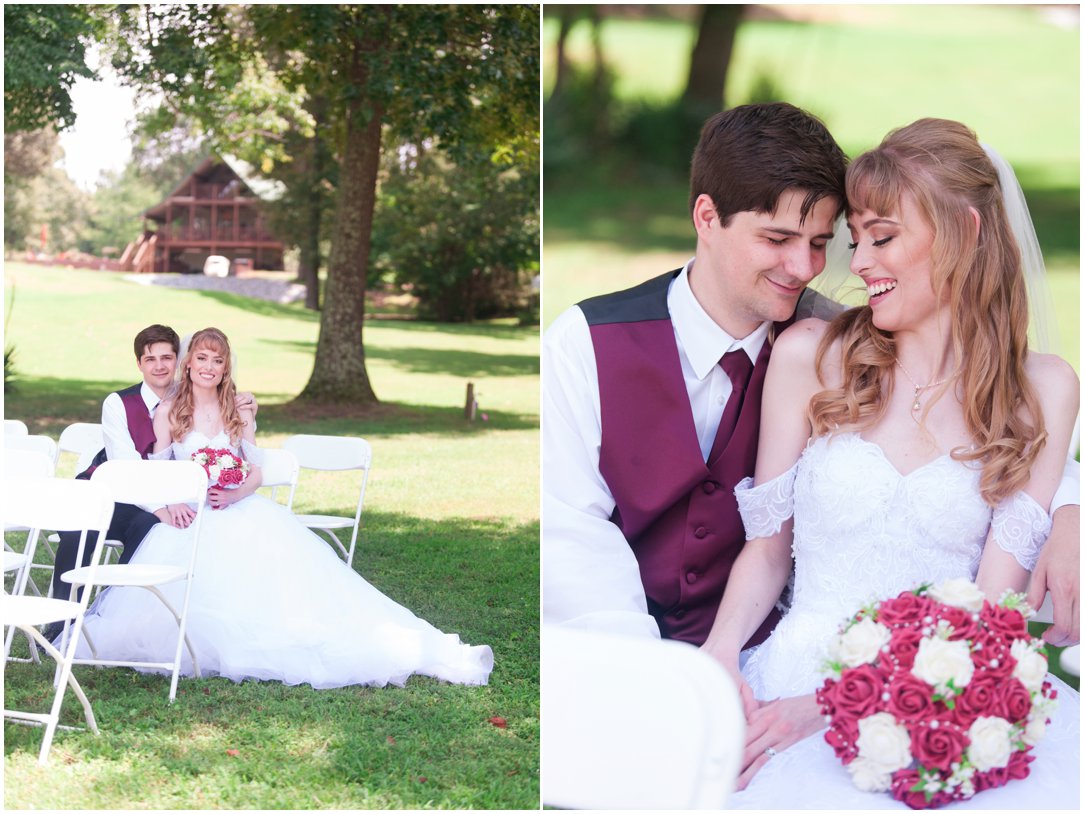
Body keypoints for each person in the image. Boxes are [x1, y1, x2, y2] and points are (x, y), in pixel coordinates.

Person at [542, 103, 1081, 649]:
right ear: (707, 218)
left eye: (822, 244)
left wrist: (1070, 513)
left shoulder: (838, 339)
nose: (803, 269)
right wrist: (657, 674)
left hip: (788, 653)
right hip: (629, 646)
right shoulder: (585, 344)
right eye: (777, 240)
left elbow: (1002, 426)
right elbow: (572, 532)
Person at [703, 119, 1079, 808]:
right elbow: (767, 554)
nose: (860, 263)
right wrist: (718, 657)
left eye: (883, 237)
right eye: (857, 240)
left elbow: (991, 612)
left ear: (963, 231)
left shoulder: (1044, 392)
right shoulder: (812, 358)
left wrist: (831, 706)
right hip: (788, 668)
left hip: (937, 699)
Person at [75, 328, 493, 688]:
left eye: (216, 360)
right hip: (190, 514)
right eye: (200, 358)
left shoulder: (236, 407)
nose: (208, 366)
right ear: (188, 365)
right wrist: (170, 504)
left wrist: (235, 493)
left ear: (225, 368)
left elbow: (255, 469)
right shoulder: (168, 411)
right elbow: (159, 469)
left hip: (239, 509)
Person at [51, 324, 257, 603]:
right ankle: (62, 617)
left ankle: (118, 605)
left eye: (166, 358)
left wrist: (249, 404)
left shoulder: (190, 395)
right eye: (150, 359)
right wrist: (164, 505)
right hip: (113, 492)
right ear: (139, 363)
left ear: (178, 360)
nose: (159, 367)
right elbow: (126, 466)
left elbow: (224, 412)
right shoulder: (118, 403)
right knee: (80, 529)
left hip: (157, 503)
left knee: (150, 531)